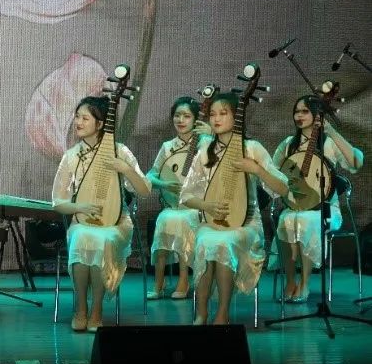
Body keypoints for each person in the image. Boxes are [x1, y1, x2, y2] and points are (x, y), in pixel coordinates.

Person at [180, 92, 289, 325]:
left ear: (236, 116)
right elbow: (186, 195)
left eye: (223, 113)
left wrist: (257, 170)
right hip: (211, 221)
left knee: (223, 243)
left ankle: (222, 313)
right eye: (212, 114)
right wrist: (207, 205)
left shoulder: (252, 148)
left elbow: (283, 188)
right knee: (206, 241)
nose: (216, 119)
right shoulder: (205, 151)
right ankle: (201, 313)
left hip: (246, 224)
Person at [50, 96, 150, 332]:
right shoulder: (71, 156)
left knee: (100, 239)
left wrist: (126, 169)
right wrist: (79, 208)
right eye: (77, 117)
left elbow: (145, 191)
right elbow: (58, 202)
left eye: (85, 118)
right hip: (81, 221)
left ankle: (96, 310)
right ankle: (81, 308)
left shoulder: (120, 151)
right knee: (82, 237)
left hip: (116, 223)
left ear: (101, 123)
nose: (78, 122)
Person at [272, 95, 364, 303]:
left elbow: (356, 162)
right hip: (295, 207)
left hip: (326, 210)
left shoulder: (329, 143)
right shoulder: (288, 145)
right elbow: (273, 173)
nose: (299, 115)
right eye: (297, 111)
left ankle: (305, 282)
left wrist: (331, 131)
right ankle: (290, 281)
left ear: (317, 115)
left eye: (305, 111)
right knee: (286, 220)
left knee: (305, 221)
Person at [146, 96, 202, 300]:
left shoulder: (204, 145)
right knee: (164, 219)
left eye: (186, 116)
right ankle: (158, 283)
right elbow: (150, 175)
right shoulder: (168, 146)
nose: (181, 120)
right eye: (177, 115)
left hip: (195, 208)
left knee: (183, 222)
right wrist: (164, 185)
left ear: (196, 120)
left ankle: (184, 280)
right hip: (172, 206)